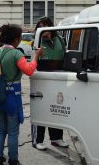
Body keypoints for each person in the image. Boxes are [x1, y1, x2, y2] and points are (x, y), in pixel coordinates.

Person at [0, 24, 44, 165]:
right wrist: (36, 57)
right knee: (13, 131)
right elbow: (29, 70)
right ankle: (13, 160)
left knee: (1, 129)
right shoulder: (17, 54)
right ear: (16, 39)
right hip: (12, 96)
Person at [31, 16, 69, 150]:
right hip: (41, 78)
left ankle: (56, 138)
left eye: (45, 26)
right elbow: (33, 59)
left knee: (57, 108)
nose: (43, 29)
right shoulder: (37, 40)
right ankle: (37, 140)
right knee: (40, 108)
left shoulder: (60, 40)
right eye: (40, 26)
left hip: (58, 77)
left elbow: (65, 55)